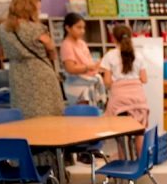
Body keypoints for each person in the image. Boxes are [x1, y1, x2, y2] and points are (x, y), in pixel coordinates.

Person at [0, 0, 64, 118]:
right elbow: (52, 52)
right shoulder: (37, 29)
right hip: (40, 75)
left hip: (17, 74)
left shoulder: (2, 28)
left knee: (23, 116)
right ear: (30, 6)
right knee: (47, 114)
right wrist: (50, 48)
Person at [100, 24, 149, 159]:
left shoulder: (109, 56)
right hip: (138, 99)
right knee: (139, 133)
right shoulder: (138, 56)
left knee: (121, 136)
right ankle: (142, 164)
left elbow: (107, 81)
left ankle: (124, 164)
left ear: (113, 39)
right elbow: (144, 79)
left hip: (119, 101)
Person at [60, 12, 106, 107]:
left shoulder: (82, 43)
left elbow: (88, 61)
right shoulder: (66, 45)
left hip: (90, 80)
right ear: (68, 28)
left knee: (94, 114)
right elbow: (70, 68)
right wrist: (89, 67)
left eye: (83, 28)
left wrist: (97, 67)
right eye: (78, 27)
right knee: (83, 116)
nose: (82, 31)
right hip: (77, 85)